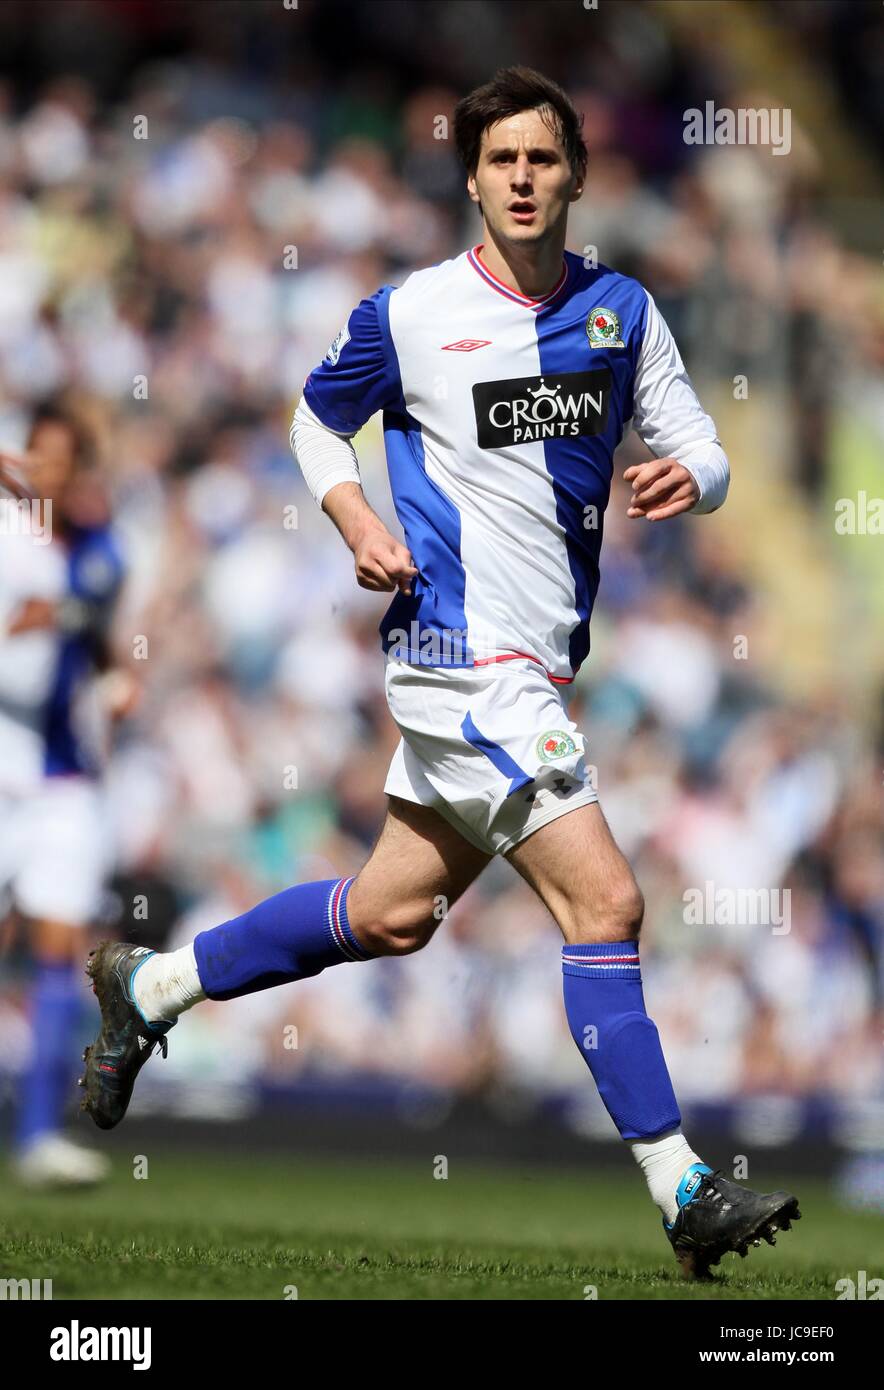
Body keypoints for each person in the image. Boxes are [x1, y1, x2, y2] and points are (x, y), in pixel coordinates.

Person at [80, 66, 799, 1278]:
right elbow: (314, 418)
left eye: (543, 160)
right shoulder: (412, 311)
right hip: (455, 655)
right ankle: (680, 1189)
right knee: (606, 904)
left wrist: (702, 478)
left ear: (575, 175)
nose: (521, 179)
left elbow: (696, 440)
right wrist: (357, 520)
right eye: (500, 161)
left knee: (390, 913)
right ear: (470, 178)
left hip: (533, 664)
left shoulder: (621, 312)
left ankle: (151, 983)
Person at [0, 405, 128, 1187]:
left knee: (61, 950)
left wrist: (120, 675)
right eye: (35, 459)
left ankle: (38, 1135)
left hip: (62, 776)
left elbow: (94, 632)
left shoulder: (96, 552)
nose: (47, 474)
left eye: (62, 462)